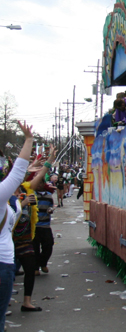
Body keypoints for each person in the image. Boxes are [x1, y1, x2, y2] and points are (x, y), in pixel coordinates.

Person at [0, 123, 38, 329]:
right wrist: (29, 139)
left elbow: (17, 174)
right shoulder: (2, 195)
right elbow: (17, 173)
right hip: (3, 262)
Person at [12, 142, 55, 313]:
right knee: (6, 274)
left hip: (25, 239)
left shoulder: (27, 188)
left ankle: (26, 302)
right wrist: (21, 203)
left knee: (30, 269)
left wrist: (50, 159)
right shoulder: (5, 194)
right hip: (8, 241)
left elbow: (41, 173)